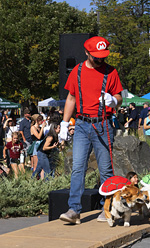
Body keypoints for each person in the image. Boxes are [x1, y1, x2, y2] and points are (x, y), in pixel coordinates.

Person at [58, 36, 123, 224]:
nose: (100, 59)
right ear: (86, 53)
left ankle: (107, 207)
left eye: (103, 56)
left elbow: (119, 97)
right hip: (81, 124)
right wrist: (64, 123)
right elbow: (71, 98)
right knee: (77, 167)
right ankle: (74, 210)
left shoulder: (111, 72)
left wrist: (114, 100)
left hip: (103, 124)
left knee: (105, 169)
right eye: (96, 56)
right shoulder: (77, 72)